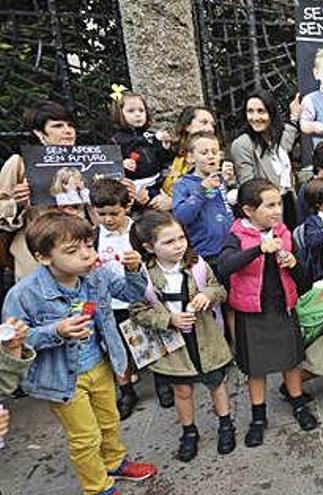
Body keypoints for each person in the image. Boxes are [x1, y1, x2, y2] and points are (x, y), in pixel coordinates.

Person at [2, 212, 158, 495]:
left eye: (88, 244)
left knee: (109, 421)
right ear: (43, 257)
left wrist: (134, 271)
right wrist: (56, 331)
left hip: (101, 363)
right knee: (85, 437)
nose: (87, 255)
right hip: (61, 377)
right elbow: (15, 343)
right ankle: (98, 487)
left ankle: (114, 462)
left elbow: (129, 293)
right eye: (73, 251)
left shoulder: (96, 274)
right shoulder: (23, 294)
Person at [218, 179, 318, 447]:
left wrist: (294, 262)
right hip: (252, 312)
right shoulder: (237, 235)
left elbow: (303, 277)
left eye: (279, 204)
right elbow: (225, 266)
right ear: (249, 210)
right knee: (256, 368)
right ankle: (258, 416)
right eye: (270, 205)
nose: (277, 211)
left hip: (282, 307)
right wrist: (259, 249)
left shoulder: (284, 232)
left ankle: (298, 403)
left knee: (291, 360)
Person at [129, 211, 235, 462]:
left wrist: (208, 295)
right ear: (148, 247)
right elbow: (137, 311)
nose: (178, 245)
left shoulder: (197, 265)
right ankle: (189, 431)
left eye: (181, 238)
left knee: (216, 383)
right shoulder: (143, 275)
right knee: (182, 390)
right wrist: (168, 320)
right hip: (173, 344)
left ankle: (225, 423)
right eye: (169, 242)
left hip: (206, 339)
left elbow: (219, 290)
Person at [0, 101, 76, 282]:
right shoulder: (19, 162)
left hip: (79, 249)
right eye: (58, 126)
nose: (68, 130)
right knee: (44, 306)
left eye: (70, 125)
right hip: (36, 255)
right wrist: (17, 203)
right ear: (39, 133)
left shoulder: (89, 162)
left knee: (84, 307)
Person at [90, 179, 142, 419]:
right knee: (117, 346)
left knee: (149, 342)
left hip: (141, 297)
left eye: (114, 213)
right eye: (102, 214)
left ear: (127, 208)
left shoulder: (138, 231)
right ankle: (127, 390)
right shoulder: (93, 237)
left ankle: (163, 383)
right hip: (111, 303)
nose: (108, 219)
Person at [229, 89, 301, 229]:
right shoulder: (242, 144)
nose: (255, 117)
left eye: (261, 111)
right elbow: (248, 187)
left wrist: (294, 116)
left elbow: (287, 139)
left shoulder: (276, 137)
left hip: (288, 202)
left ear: (271, 112)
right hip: (266, 211)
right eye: (250, 111)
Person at [171, 131, 234, 266]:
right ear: (190, 157)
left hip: (230, 248)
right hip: (205, 253)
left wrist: (231, 184)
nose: (211, 156)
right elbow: (181, 216)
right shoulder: (183, 185)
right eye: (204, 153)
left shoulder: (221, 180)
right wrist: (202, 190)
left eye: (215, 152)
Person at [109, 91, 175, 206]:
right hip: (134, 186)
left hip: (156, 181)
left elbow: (162, 159)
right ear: (120, 114)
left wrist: (165, 148)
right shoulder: (117, 139)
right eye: (131, 111)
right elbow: (112, 165)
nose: (138, 114)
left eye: (141, 110)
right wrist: (122, 164)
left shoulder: (149, 135)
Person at [161, 106, 217, 200]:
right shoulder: (170, 153)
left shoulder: (214, 157)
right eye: (204, 122)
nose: (210, 129)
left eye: (212, 125)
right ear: (187, 126)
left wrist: (174, 202)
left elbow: (212, 193)